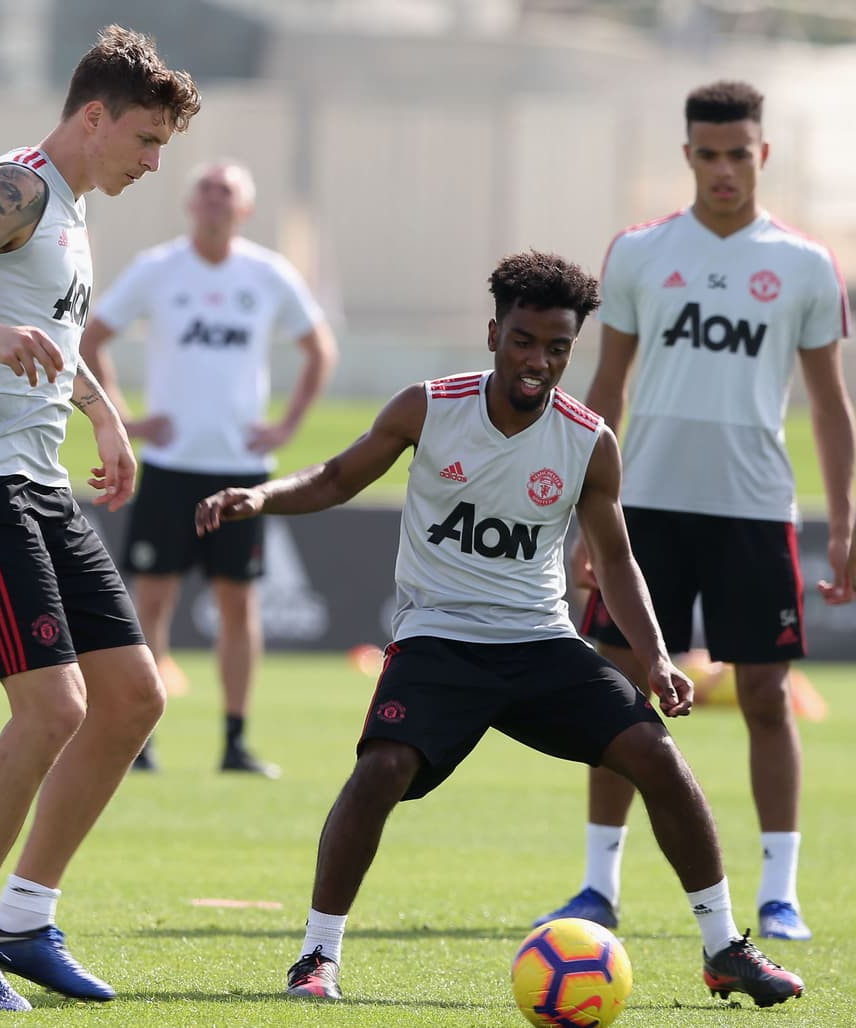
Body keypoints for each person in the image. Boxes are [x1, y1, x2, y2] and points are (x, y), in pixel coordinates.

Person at [196, 251, 806, 1009]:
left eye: (557, 347)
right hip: (439, 637)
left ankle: (723, 949)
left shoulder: (589, 440)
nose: (538, 361)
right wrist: (262, 496)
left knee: (656, 755)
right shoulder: (428, 407)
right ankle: (317, 956)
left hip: (540, 641)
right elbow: (335, 477)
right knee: (381, 770)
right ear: (493, 335)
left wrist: (655, 658)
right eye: (523, 340)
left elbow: (616, 560)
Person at [0, 25, 200, 1011]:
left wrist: (103, 414)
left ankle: (24, 917)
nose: (153, 163)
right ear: (93, 116)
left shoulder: (72, 207)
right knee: (54, 709)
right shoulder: (14, 186)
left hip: (36, 479)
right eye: (146, 140)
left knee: (133, 697)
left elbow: (52, 334)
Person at [534, 80, 854, 943]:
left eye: (738, 154)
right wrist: (583, 513)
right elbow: (606, 387)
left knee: (765, 697)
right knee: (617, 689)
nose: (723, 170)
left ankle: (779, 895)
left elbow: (830, 404)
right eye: (708, 155)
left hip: (754, 508)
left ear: (763, 154)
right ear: (687, 156)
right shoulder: (640, 252)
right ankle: (597, 886)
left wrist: (845, 518)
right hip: (643, 508)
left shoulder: (804, 264)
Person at [80, 160, 337, 777]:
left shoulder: (267, 274)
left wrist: (286, 426)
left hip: (241, 469)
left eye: (228, 194)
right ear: (190, 204)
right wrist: (123, 417)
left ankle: (235, 740)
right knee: (152, 598)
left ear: (246, 209)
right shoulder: (158, 268)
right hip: (170, 464)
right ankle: (139, 738)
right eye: (207, 192)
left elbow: (319, 348)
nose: (216, 202)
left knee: (238, 605)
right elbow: (92, 337)